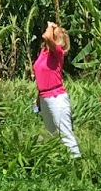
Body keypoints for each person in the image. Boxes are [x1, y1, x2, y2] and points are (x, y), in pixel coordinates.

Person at [33, 20, 80, 157]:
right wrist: (38, 98)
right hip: (44, 96)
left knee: (65, 134)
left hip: (56, 97)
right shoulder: (44, 52)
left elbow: (46, 37)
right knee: (51, 134)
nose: (51, 32)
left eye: (54, 32)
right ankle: (57, 160)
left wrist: (50, 25)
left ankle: (77, 161)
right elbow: (42, 76)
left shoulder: (57, 52)